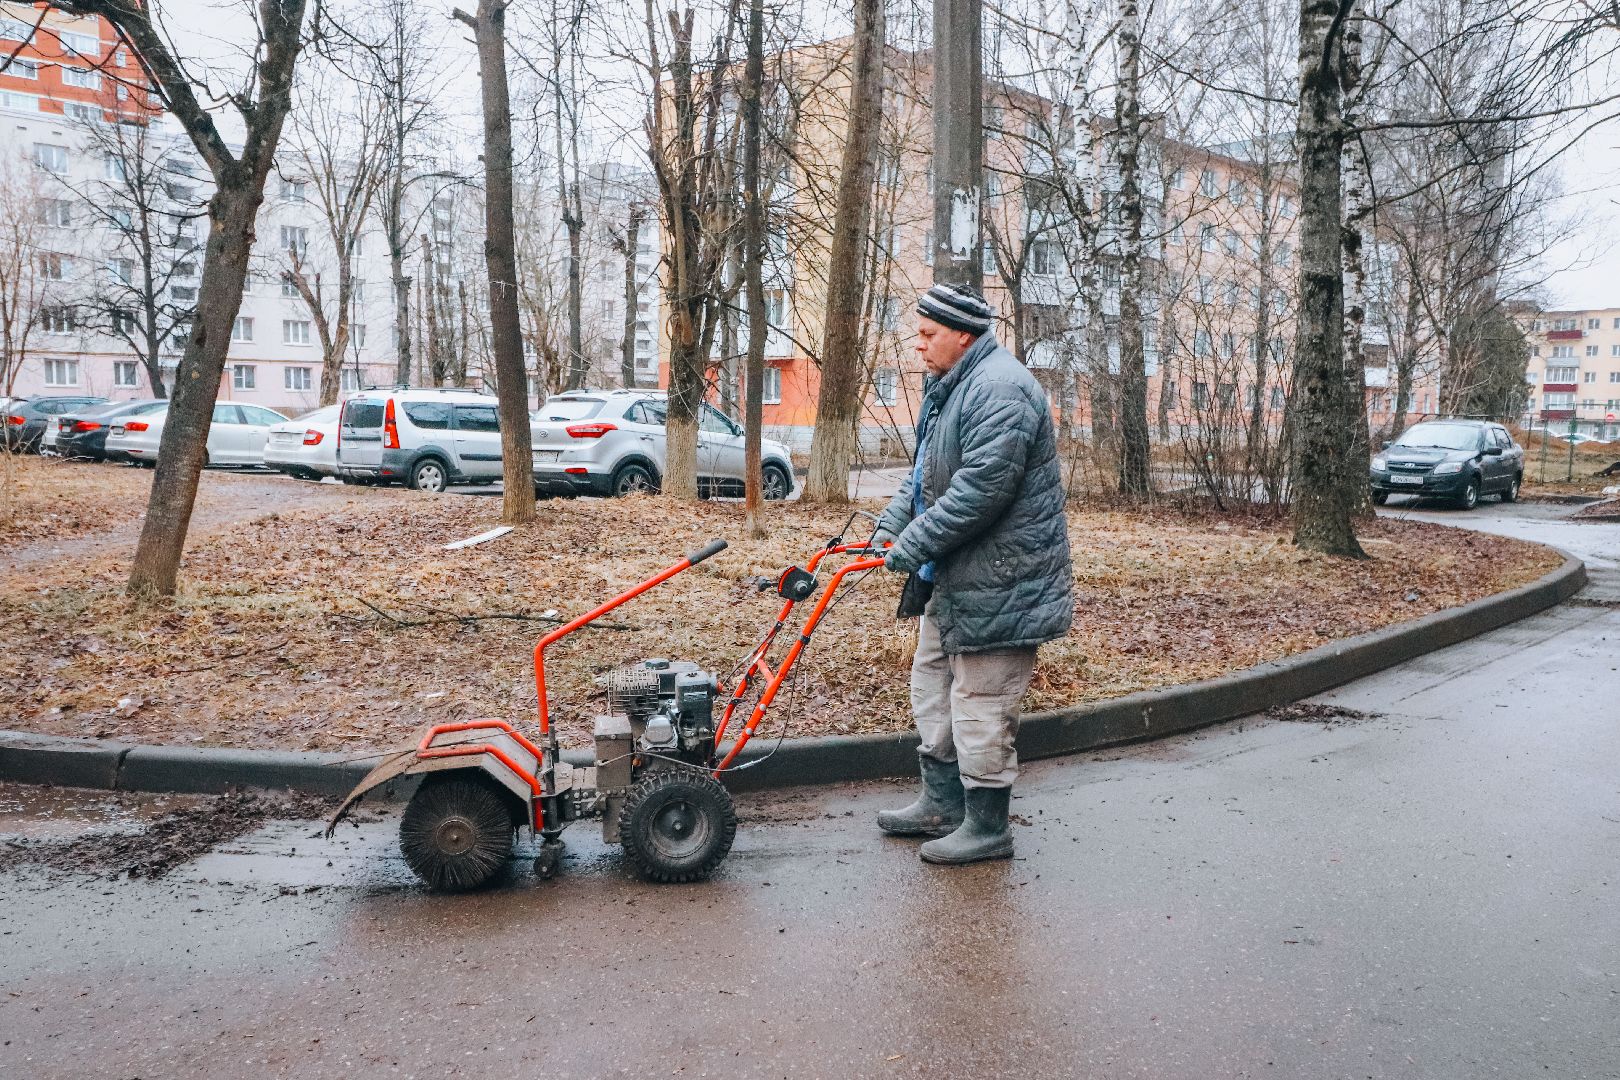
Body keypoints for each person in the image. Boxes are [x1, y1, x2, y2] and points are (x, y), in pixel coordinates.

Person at [873, 282, 1074, 865]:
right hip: (956, 578)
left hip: (1003, 582)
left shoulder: (1002, 389)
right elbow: (923, 477)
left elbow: (980, 491)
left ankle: (987, 826)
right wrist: (890, 527)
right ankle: (942, 802)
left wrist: (912, 544)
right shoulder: (952, 386)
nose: (919, 346)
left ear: (963, 334)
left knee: (983, 703)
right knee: (930, 687)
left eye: (928, 335)